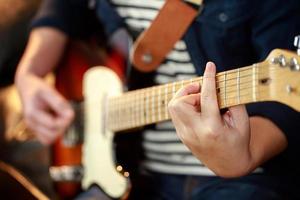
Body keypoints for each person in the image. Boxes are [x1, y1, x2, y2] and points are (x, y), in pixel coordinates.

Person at [15, 0, 300, 199]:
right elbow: (62, 9)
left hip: (243, 181)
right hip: (132, 175)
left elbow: (286, 100)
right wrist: (29, 74)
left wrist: (243, 156)